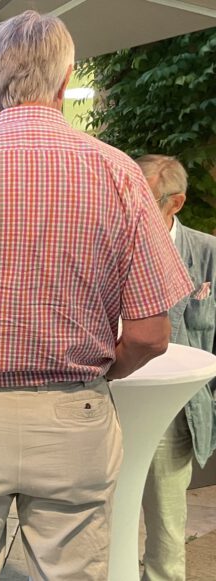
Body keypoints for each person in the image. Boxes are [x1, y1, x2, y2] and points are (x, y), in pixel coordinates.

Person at [0, 12, 194, 580]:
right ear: (65, 79)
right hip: (75, 414)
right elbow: (151, 335)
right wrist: (97, 377)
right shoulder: (120, 174)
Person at [135, 154, 216, 581]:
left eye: (143, 200)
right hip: (107, 402)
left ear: (176, 202)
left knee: (166, 523)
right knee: (98, 518)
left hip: (173, 411)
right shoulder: (107, 245)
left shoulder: (206, 253)